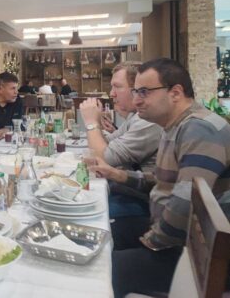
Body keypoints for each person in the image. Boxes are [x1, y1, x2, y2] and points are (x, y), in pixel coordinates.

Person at [89, 58, 230, 297]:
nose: (136, 100)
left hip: (198, 256)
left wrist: (150, 241)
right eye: (135, 92)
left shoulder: (200, 129)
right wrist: (118, 174)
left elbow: (186, 202)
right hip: (180, 237)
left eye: (144, 92)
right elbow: (164, 181)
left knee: (102, 269)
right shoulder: (174, 126)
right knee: (102, 237)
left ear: (175, 93)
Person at [79, 62, 162, 218]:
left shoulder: (148, 120)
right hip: (130, 190)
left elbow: (102, 159)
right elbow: (109, 143)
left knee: (86, 210)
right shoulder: (135, 117)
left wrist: (91, 123)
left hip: (143, 201)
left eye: (117, 87)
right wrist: (97, 125)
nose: (111, 94)